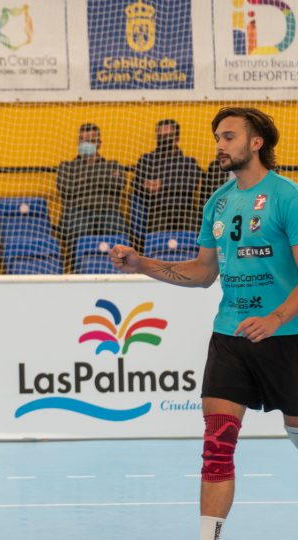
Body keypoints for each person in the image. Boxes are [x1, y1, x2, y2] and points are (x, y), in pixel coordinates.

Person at [110, 107, 298, 540]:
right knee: (217, 446)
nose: (219, 145)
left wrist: (275, 318)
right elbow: (202, 273)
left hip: (287, 337)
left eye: (229, 137)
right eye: (217, 138)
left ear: (256, 143)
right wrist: (141, 264)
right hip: (230, 337)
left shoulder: (287, 197)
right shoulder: (218, 202)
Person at [56, 123, 126, 268]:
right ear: (78, 143)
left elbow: (119, 184)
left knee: (116, 227)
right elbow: (66, 188)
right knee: (77, 227)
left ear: (99, 144)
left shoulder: (113, 165)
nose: (86, 144)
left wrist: (83, 179)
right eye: (83, 140)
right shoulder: (66, 167)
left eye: (91, 140)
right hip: (77, 212)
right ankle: (78, 268)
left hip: (108, 211)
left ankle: (117, 268)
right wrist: (103, 179)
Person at [132, 119, 203, 251]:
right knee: (156, 242)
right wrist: (147, 186)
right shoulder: (147, 160)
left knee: (194, 236)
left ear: (177, 138)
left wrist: (162, 184)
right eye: (160, 136)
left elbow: (190, 183)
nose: (164, 139)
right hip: (157, 210)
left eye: (168, 136)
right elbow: (136, 184)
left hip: (185, 211)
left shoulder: (188, 162)